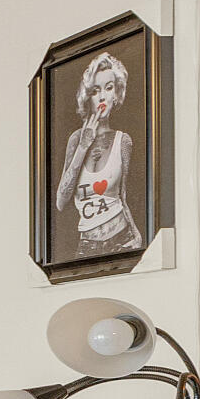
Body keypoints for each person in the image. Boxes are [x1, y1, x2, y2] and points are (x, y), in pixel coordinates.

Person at [53, 52, 136, 258]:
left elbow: (122, 196)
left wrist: (136, 236)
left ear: (116, 94)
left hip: (123, 238)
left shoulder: (123, 141)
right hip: (88, 244)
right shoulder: (76, 139)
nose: (102, 97)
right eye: (95, 90)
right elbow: (61, 202)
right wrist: (83, 146)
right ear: (87, 96)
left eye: (109, 88)